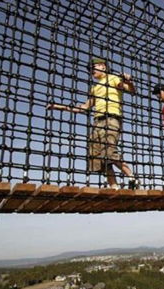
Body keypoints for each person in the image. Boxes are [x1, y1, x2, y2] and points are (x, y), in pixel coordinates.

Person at [47, 57, 140, 190]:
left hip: (112, 118)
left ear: (103, 66)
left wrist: (129, 81)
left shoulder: (113, 78)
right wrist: (59, 107)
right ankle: (114, 187)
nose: (91, 72)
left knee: (109, 151)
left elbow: (131, 90)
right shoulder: (95, 88)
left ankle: (132, 178)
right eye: (90, 70)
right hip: (97, 122)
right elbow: (84, 107)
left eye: (93, 68)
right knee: (98, 157)